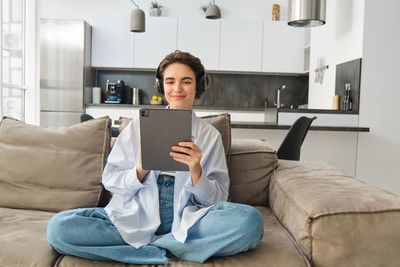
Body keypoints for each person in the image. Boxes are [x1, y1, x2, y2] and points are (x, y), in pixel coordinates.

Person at [47, 51, 263, 265]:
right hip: (135, 215)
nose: (177, 89)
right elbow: (111, 181)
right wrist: (140, 170)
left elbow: (217, 200)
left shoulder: (210, 136)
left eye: (186, 81)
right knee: (59, 228)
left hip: (188, 221)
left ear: (198, 86)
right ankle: (167, 249)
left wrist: (196, 171)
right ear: (161, 86)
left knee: (250, 222)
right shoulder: (137, 127)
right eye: (170, 82)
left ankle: (153, 246)